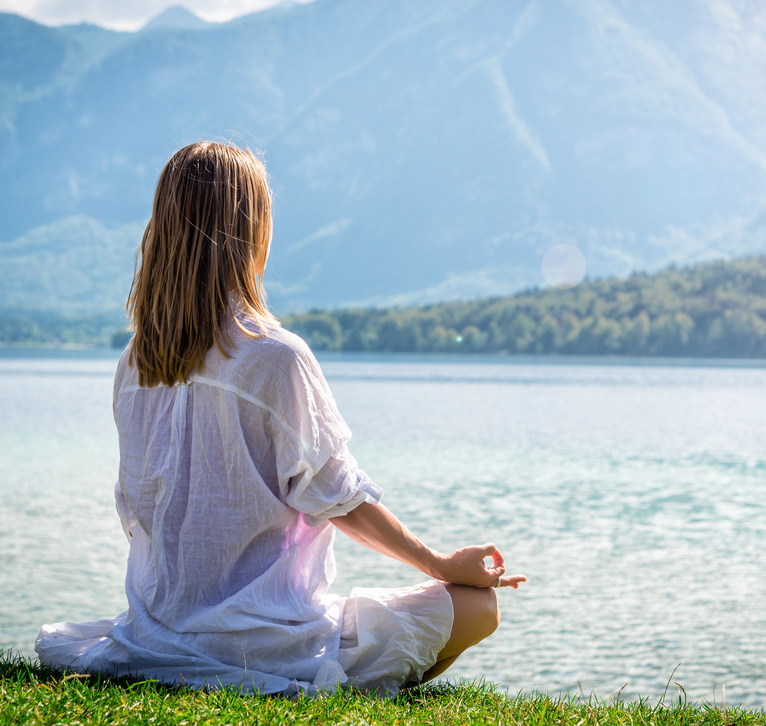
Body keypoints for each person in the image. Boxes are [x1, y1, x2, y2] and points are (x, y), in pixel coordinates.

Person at [36, 141, 526, 696]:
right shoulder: (275, 356)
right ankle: (349, 685)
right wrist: (439, 564)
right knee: (479, 607)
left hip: (156, 633)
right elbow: (339, 498)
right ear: (252, 234)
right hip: (265, 642)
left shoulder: (135, 364)